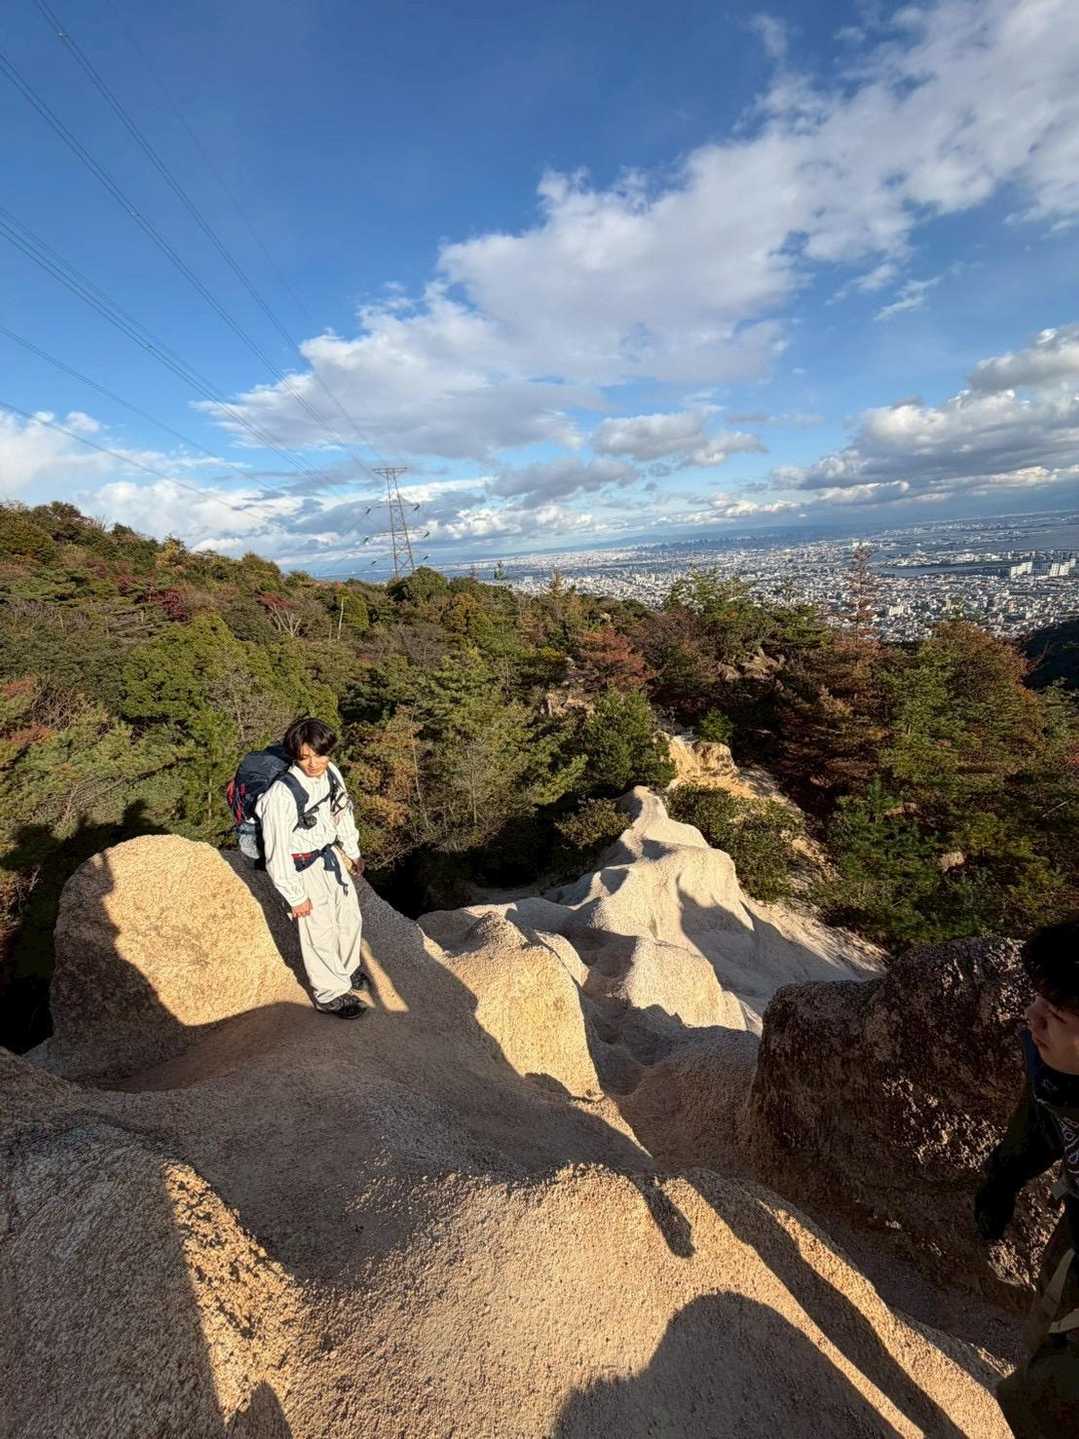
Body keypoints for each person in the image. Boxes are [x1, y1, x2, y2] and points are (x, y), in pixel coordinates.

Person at [975, 918, 1079, 1436]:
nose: (1032, 1017)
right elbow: (1041, 1121)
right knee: (1044, 1337)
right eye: (1039, 999)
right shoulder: (1060, 1072)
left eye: (1055, 1015)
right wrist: (1003, 1178)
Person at [256, 716, 368, 1019]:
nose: (313, 763)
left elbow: (342, 813)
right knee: (319, 930)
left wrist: (352, 851)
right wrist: (295, 895)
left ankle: (347, 970)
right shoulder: (281, 795)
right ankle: (330, 994)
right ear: (295, 755)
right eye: (305, 757)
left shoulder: (331, 773)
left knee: (349, 917)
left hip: (329, 856)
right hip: (302, 866)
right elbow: (277, 851)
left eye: (319, 754)